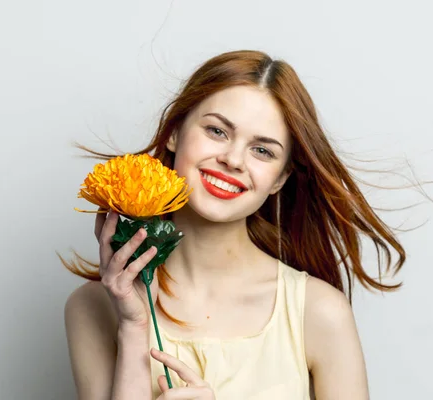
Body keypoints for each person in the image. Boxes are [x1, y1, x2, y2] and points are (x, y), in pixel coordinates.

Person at [62, 49, 405, 400]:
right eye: (217, 131)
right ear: (175, 133)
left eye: (263, 151)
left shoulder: (320, 313)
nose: (233, 159)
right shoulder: (93, 307)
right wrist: (134, 329)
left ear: (279, 179)